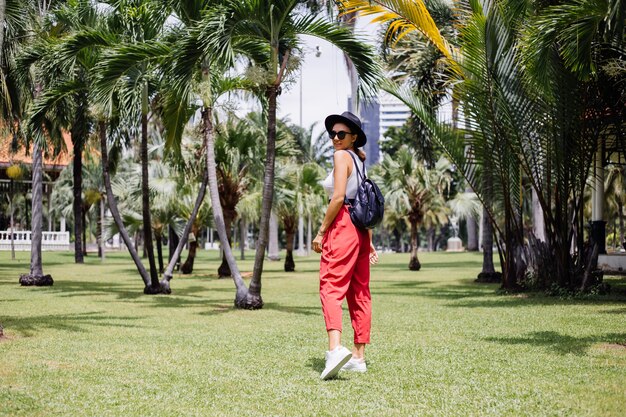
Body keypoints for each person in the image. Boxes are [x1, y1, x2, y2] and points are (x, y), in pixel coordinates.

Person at [313, 111, 379, 380]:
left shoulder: (342, 157)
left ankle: (334, 350)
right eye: (333, 134)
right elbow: (364, 202)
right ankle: (359, 357)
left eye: (342, 134)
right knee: (360, 291)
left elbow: (339, 197)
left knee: (330, 285)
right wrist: (369, 242)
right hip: (361, 230)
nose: (335, 139)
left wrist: (321, 231)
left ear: (353, 138)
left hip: (343, 225)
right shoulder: (360, 162)